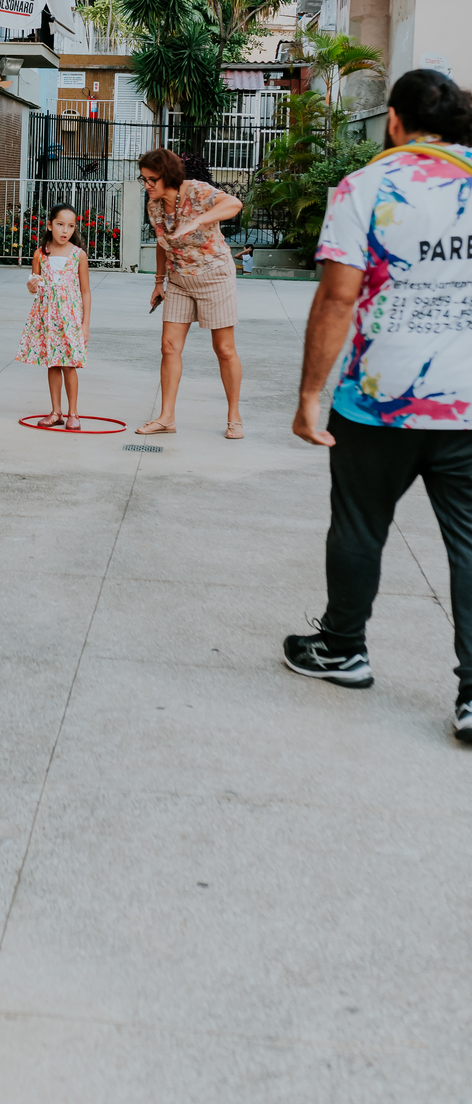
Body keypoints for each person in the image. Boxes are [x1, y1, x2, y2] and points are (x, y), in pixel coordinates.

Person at [287, 68, 472, 745]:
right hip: (468, 405)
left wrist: (310, 396)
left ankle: (343, 648)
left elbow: (338, 297)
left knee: (361, 526)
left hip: (378, 400)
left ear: (392, 121)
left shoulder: (367, 186)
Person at [137, 148, 245, 439]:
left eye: (152, 180)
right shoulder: (155, 205)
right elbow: (162, 242)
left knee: (224, 350)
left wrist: (197, 221)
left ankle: (234, 417)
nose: (147, 185)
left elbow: (234, 203)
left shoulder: (196, 191)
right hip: (179, 281)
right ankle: (166, 417)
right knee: (169, 347)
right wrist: (159, 281)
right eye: (143, 179)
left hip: (214, 277)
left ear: (168, 176)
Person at [17, 201, 91, 427]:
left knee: (69, 365)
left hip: (70, 320)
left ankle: (73, 414)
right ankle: (56, 411)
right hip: (48, 318)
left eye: (70, 226)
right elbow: (34, 284)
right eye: (60, 224)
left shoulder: (79, 255)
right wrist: (31, 286)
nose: (65, 231)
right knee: (53, 364)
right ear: (50, 225)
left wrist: (85, 324)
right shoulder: (40, 254)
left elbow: (86, 292)